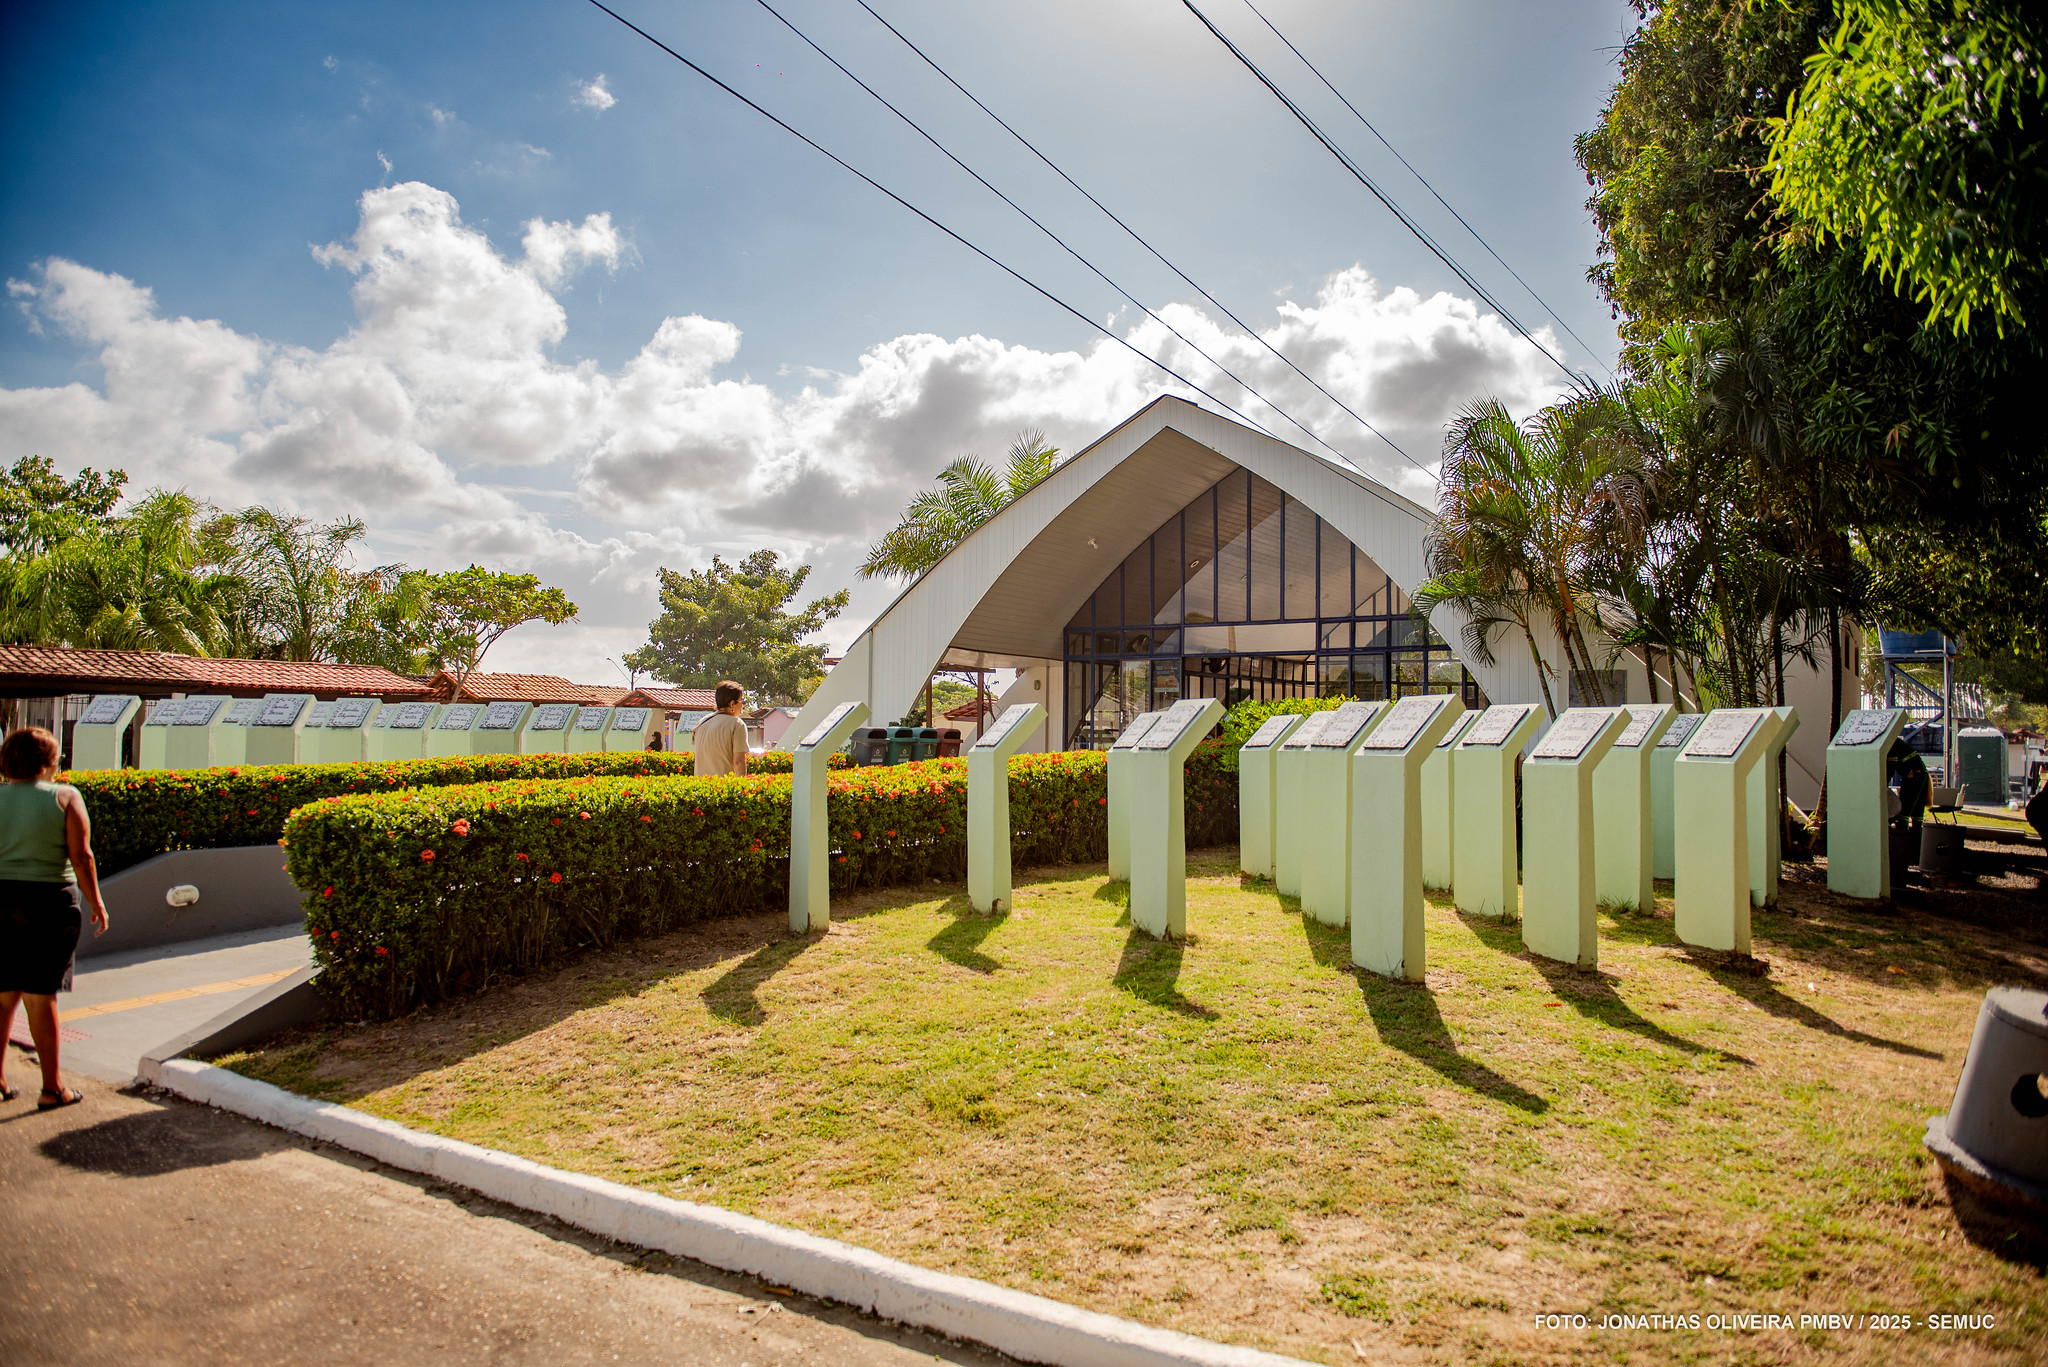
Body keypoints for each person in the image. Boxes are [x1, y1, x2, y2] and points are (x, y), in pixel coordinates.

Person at [0, 726, 108, 1109]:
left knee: (3, 995)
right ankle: (51, 1089)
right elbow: (82, 856)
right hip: (50, 902)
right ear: (48, 763)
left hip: (1, 899)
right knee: (40, 996)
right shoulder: (65, 796)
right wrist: (96, 901)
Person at [693, 681, 750, 778]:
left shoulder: (701, 723)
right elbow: (738, 761)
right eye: (742, 701)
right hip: (723, 787)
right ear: (732, 704)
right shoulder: (737, 724)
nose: (743, 706)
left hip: (700, 787)